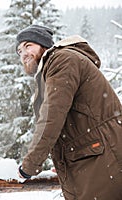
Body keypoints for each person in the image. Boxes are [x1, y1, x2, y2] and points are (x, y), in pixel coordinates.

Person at [15, 24, 122, 199]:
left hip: (101, 157)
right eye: (19, 51)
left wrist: (30, 165)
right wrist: (64, 157)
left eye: (28, 46)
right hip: (93, 156)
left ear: (44, 45)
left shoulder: (61, 60)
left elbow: (52, 117)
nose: (23, 53)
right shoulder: (56, 67)